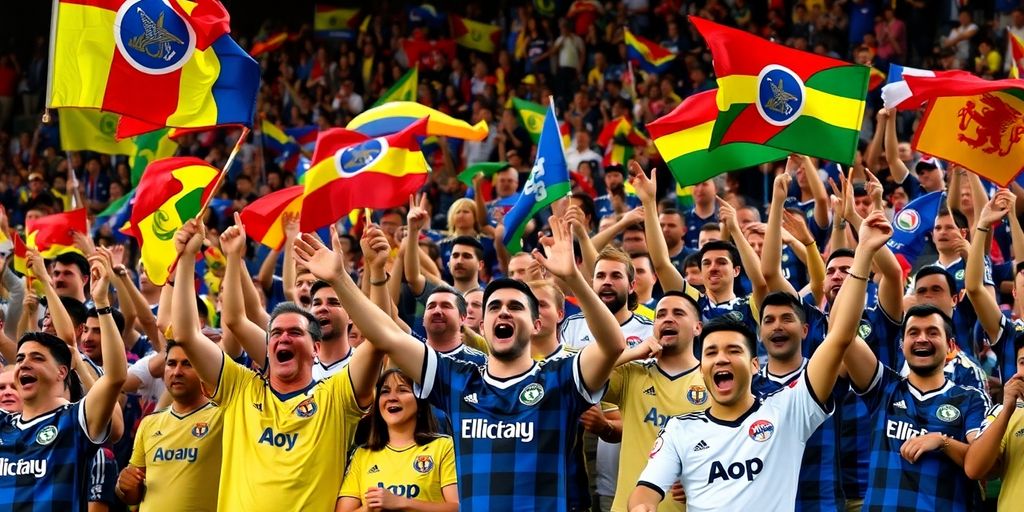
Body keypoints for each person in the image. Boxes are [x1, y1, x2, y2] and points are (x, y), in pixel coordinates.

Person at [296, 218, 625, 511]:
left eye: (516, 307)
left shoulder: (561, 377)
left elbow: (612, 344)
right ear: (482, 326)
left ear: (537, 325)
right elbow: (387, 336)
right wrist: (340, 279)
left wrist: (573, 279)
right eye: (494, 307)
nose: (504, 312)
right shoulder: (457, 379)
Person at [627, 210, 891, 511]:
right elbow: (646, 490)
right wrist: (641, 507)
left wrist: (865, 253)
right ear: (701, 368)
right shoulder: (679, 429)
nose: (721, 359)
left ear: (755, 365)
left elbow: (840, 335)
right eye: (711, 352)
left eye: (734, 351)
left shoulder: (787, 410)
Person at [169, 219, 385, 511]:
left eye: (295, 333)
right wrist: (185, 260)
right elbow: (185, 334)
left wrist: (366, 274)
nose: (283, 338)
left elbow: (378, 338)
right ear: (268, 347)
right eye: (276, 334)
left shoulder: (336, 397)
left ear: (316, 348)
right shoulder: (240, 388)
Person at [0, 255, 127, 510]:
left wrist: (101, 303)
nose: (24, 364)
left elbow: (115, 377)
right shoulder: (3, 423)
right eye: (21, 358)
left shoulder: (75, 420)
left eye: (37, 358)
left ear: (61, 371)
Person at [605, 291, 708, 512]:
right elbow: (585, 373)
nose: (668, 319)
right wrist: (633, 353)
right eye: (660, 315)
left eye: (678, 313)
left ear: (697, 327)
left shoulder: (713, 381)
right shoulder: (630, 374)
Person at [116, 341, 223, 511]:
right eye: (171, 364)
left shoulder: (223, 416)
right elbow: (131, 496)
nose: (177, 372)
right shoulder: (150, 423)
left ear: (204, 369)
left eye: (187, 364)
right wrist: (124, 485)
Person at [336, 369, 458, 511]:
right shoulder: (362, 454)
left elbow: (458, 508)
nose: (391, 398)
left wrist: (402, 502)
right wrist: (368, 508)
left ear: (420, 402)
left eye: (402, 390)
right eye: (385, 391)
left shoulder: (443, 447)